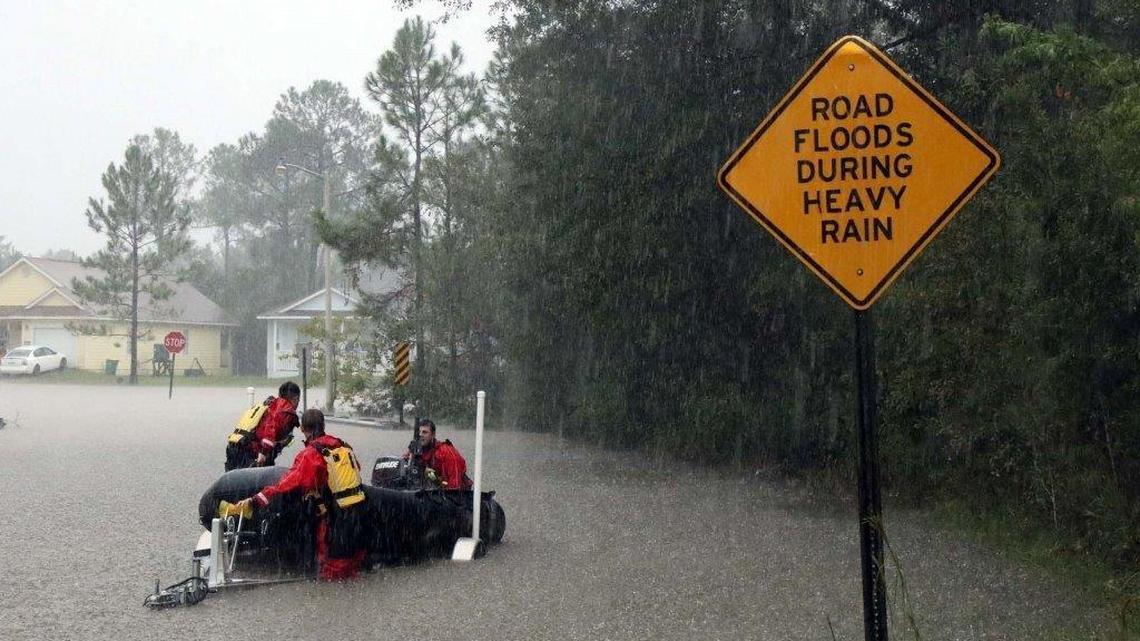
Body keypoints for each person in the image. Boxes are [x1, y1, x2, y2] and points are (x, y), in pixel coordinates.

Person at [237, 409, 368, 581]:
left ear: (303, 429)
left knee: (332, 573)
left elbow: (288, 483)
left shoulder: (311, 454)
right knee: (352, 571)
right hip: (359, 518)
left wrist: (256, 500)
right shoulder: (344, 447)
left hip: (335, 521)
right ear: (323, 425)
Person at [224, 381, 300, 471]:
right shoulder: (285, 411)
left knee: (233, 479)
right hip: (249, 451)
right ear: (296, 398)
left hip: (234, 445)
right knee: (257, 479)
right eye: (298, 400)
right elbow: (271, 427)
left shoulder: (269, 404)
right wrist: (264, 452)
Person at [405, 418, 473, 491]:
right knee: (422, 469)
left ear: (433, 435)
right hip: (442, 484)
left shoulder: (446, 452)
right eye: (419, 432)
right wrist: (410, 455)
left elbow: (455, 485)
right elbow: (405, 464)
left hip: (461, 491)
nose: (420, 435)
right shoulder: (419, 451)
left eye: (425, 432)